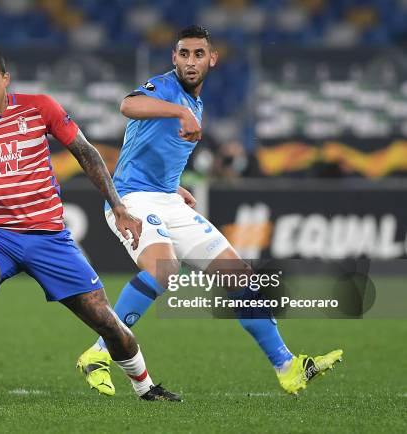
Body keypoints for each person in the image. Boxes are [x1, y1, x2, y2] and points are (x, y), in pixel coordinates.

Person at [0, 47, 180, 401]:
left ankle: (145, 387)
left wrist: (117, 205)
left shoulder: (39, 107)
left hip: (50, 238)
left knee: (107, 322)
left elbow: (85, 152)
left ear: (5, 79)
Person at [76, 25, 343, 396]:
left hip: (165, 198)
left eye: (198, 54)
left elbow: (152, 151)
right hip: (130, 199)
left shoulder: (196, 102)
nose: (190, 61)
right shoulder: (166, 88)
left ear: (212, 59)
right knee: (164, 268)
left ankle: (288, 367)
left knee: (240, 276)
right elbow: (128, 105)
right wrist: (179, 113)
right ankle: (98, 353)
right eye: (183, 53)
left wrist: (174, 187)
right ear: (174, 58)